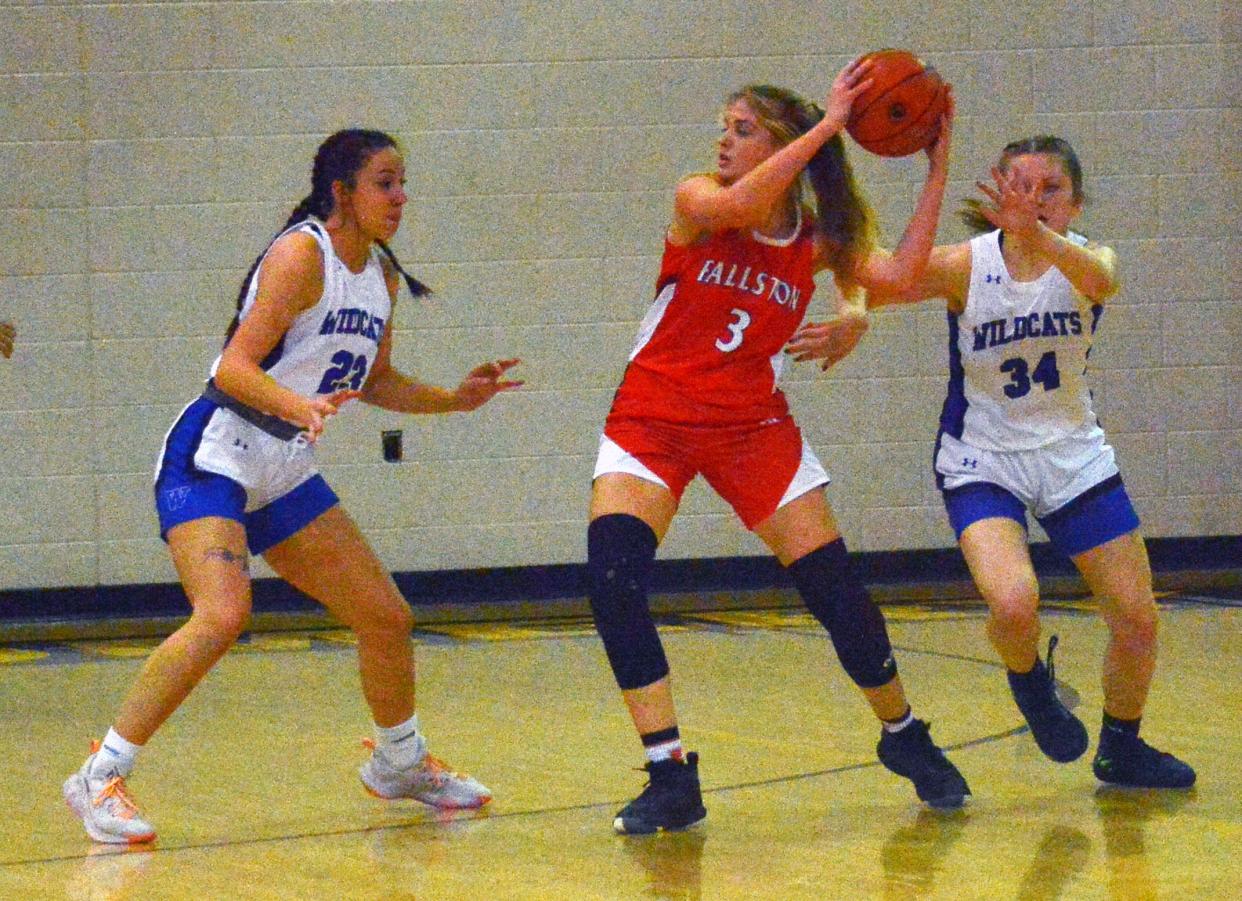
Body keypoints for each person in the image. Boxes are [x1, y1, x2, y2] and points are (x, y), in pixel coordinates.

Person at [63, 129, 523, 844]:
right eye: (385, 182)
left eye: (403, 182)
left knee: (386, 617)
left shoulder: (380, 276)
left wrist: (453, 399)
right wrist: (297, 405)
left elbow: (374, 381)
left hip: (282, 462)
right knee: (221, 615)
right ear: (343, 191)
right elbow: (232, 369)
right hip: (216, 449)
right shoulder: (300, 254)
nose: (401, 197)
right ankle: (99, 774)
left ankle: (399, 763)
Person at [588, 59, 969, 836]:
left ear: (782, 142)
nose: (723, 141)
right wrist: (829, 127)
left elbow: (895, 277)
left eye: (742, 129)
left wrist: (939, 166)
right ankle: (670, 773)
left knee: (839, 595)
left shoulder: (818, 237)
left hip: (751, 427)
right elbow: (736, 203)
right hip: (653, 416)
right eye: (723, 128)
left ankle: (903, 734)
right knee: (613, 580)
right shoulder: (699, 198)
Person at [822, 135, 1194, 789]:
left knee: (1137, 617)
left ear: (1075, 203)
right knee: (1015, 602)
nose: (1033, 199)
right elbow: (869, 275)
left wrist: (1038, 236)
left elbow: (1102, 279)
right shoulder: (968, 265)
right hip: (983, 458)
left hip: (1071, 454)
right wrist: (854, 313)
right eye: (1019, 185)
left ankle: (1122, 748)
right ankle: (1029, 683)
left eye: (1049, 188)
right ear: (998, 196)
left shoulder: (1087, 262)